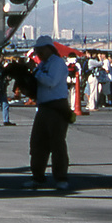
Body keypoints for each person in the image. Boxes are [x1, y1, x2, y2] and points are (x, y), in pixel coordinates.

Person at [25, 36, 73, 190]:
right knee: (37, 143)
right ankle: (38, 177)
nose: (38, 53)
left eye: (40, 50)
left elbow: (51, 82)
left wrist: (36, 74)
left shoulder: (57, 63)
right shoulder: (44, 64)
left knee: (57, 143)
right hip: (44, 107)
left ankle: (61, 177)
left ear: (48, 48)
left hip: (56, 107)